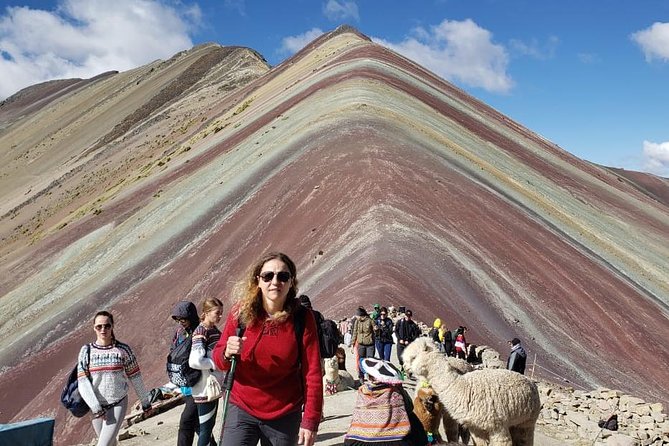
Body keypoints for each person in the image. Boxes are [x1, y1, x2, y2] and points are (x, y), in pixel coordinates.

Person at [213, 252, 323, 446]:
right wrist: (226, 351)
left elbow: (312, 372)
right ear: (258, 281)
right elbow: (220, 361)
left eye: (283, 276)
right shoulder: (241, 313)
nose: (275, 281)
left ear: (291, 282)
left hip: (284, 413)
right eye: (268, 276)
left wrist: (311, 420)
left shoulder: (302, 319)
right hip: (241, 406)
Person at [77, 311, 153, 446]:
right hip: (96, 407)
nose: (103, 329)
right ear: (94, 328)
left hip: (117, 403)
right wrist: (96, 408)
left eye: (107, 326)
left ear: (112, 326)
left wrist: (145, 402)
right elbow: (82, 382)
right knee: (111, 443)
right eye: (99, 326)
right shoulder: (86, 351)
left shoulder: (123, 350)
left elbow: (135, 377)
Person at [344, 358, 428, 446]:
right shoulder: (395, 392)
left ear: (369, 377)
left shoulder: (363, 392)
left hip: (361, 441)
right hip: (395, 440)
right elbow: (410, 407)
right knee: (413, 420)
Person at [189, 298, 224, 446]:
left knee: (207, 428)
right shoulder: (201, 331)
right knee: (206, 429)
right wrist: (215, 364)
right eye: (217, 313)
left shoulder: (213, 330)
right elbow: (195, 360)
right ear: (207, 312)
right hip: (205, 389)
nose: (220, 316)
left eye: (221, 313)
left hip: (211, 387)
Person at [170, 301, 201, 446]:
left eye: (183, 319)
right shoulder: (179, 333)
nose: (180, 322)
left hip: (200, 386)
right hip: (186, 386)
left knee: (186, 422)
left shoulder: (201, 331)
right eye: (177, 319)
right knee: (200, 426)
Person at [350, 307, 376, 382]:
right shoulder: (357, 322)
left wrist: (377, 330)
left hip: (370, 345)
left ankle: (371, 376)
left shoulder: (370, 321)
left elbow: (376, 332)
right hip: (361, 344)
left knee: (370, 361)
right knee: (361, 361)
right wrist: (352, 344)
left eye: (357, 315)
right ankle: (361, 376)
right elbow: (354, 333)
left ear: (361, 315)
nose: (356, 317)